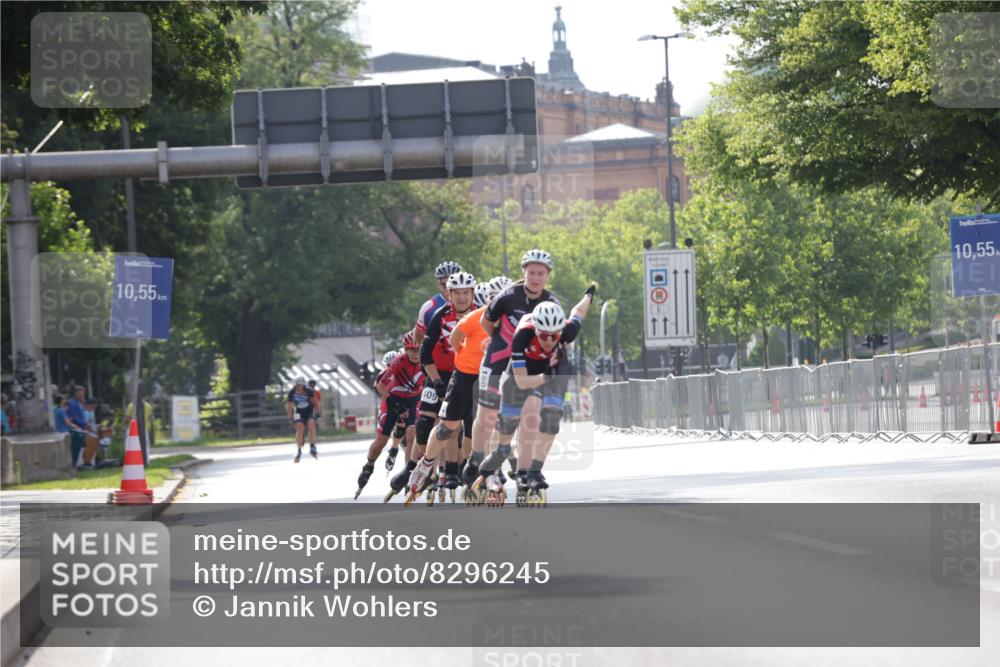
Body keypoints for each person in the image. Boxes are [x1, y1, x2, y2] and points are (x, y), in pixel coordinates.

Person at [473, 286, 595, 505]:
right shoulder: (522, 335)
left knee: (550, 420)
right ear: (535, 329)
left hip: (554, 369)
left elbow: (579, 312)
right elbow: (521, 382)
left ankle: (535, 471)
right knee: (507, 424)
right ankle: (501, 450)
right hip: (522, 373)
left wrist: (588, 295)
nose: (549, 340)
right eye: (544, 335)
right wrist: (545, 378)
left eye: (554, 336)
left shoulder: (566, 331)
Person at [476, 250, 559, 491]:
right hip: (501, 360)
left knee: (531, 415)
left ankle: (525, 472)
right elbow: (486, 321)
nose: (535, 278)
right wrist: (500, 343)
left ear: (547, 276)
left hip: (530, 365)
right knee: (493, 417)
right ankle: (489, 466)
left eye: (540, 274)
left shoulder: (552, 302)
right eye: (531, 272)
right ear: (524, 273)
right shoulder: (508, 295)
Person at [404, 271, 477, 503]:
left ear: (473, 293)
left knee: (473, 425)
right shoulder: (437, 313)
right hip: (441, 373)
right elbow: (423, 351)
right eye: (456, 293)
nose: (462, 298)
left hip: (473, 374)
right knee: (426, 423)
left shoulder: (482, 313)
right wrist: (435, 380)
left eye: (466, 293)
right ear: (448, 293)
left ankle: (465, 468)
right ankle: (420, 467)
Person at [355, 331, 424, 499]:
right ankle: (369, 465)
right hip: (392, 401)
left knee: (411, 433)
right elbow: (380, 386)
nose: (415, 353)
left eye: (418, 349)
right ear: (405, 350)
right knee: (380, 442)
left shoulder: (426, 359)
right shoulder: (398, 362)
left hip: (413, 400)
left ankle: (408, 471)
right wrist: (394, 404)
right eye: (411, 350)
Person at [414, 261, 462, 346]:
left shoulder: (472, 302)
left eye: (454, 284)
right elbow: (419, 339)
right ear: (438, 285)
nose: (449, 289)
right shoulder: (428, 308)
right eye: (445, 285)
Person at [286, 377, 319, 463]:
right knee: (300, 428)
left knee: (311, 426)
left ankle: (312, 446)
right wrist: (290, 417)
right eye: (298, 385)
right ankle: (299, 450)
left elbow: (315, 402)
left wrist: (318, 412)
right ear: (295, 385)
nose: (299, 387)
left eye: (301, 386)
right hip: (298, 412)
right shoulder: (292, 392)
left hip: (309, 411)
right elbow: (289, 406)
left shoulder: (308, 391)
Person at [65, 386, 89, 469]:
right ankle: (77, 464)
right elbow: (73, 417)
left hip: (81, 428)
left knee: (83, 446)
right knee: (78, 447)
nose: (83, 394)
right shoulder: (72, 403)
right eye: (81, 393)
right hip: (76, 429)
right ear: (76, 393)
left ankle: (81, 463)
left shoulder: (79, 403)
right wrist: (84, 423)